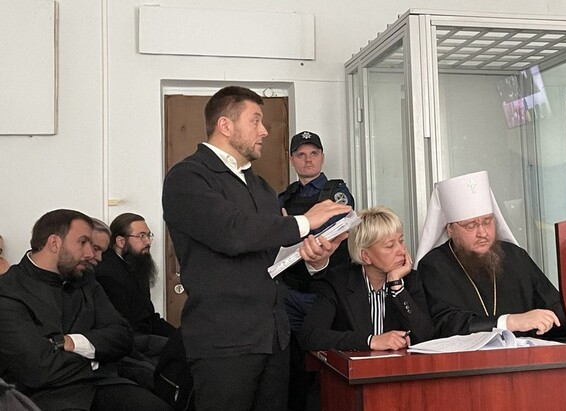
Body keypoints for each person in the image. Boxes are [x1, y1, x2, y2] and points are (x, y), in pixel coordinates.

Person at [162, 86, 351, 411]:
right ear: (226, 125)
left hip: (273, 336)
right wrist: (304, 222)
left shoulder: (260, 186)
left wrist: (312, 257)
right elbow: (231, 233)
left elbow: (269, 254)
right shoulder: (188, 177)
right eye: (255, 121)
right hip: (225, 339)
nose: (264, 130)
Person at [0, 209, 172, 411]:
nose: (91, 254)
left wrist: (71, 342)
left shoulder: (86, 280)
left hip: (104, 385)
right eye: (83, 243)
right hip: (46, 396)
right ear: (54, 243)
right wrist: (98, 360)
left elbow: (122, 336)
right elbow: (38, 369)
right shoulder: (8, 290)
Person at [415, 171, 566, 339]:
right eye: (471, 226)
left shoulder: (515, 256)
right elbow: (447, 324)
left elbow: (553, 306)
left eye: (487, 221)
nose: (482, 232)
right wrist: (509, 322)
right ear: (450, 230)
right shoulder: (434, 265)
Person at [277, 131, 355, 410]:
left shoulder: (337, 192)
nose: (308, 160)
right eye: (301, 154)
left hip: (327, 292)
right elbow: (275, 240)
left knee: (326, 363)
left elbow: (328, 235)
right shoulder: (284, 196)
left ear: (322, 157)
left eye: (313, 153)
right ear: (292, 160)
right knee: (292, 362)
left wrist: (292, 228)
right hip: (291, 292)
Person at [298, 206, 433, 352]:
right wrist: (370, 341)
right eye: (390, 246)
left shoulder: (411, 280)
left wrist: (397, 287)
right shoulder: (338, 281)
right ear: (365, 256)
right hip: (353, 371)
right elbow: (309, 336)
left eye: (401, 241)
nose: (401, 251)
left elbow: (426, 337)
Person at [94, 213, 175, 389]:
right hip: (128, 342)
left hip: (143, 335)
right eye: (141, 236)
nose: (148, 241)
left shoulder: (137, 265)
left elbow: (149, 316)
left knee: (184, 344)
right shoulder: (107, 273)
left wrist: (179, 336)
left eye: (148, 235)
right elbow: (121, 326)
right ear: (121, 241)